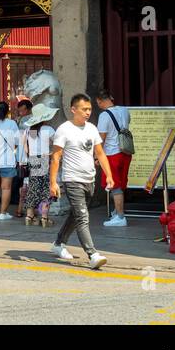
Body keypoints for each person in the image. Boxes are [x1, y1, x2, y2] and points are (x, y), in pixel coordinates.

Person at [49, 93, 115, 269]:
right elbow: (56, 157)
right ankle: (92, 254)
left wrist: (108, 175)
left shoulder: (92, 129)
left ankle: (58, 244)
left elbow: (100, 153)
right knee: (83, 216)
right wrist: (53, 182)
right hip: (72, 179)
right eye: (84, 109)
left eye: (90, 109)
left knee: (76, 215)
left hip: (89, 179)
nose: (87, 112)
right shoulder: (64, 129)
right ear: (73, 109)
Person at [95, 91, 133, 227]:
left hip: (111, 154)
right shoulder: (124, 110)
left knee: (114, 186)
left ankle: (121, 217)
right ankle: (117, 212)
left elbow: (102, 138)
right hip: (126, 152)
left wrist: (97, 157)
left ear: (99, 101)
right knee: (121, 184)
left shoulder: (104, 116)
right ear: (111, 98)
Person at [22, 108, 56, 226]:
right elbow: (58, 144)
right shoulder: (48, 129)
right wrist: (51, 153)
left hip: (33, 160)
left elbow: (25, 148)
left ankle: (29, 216)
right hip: (44, 159)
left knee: (33, 188)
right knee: (45, 189)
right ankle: (44, 218)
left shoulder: (29, 130)